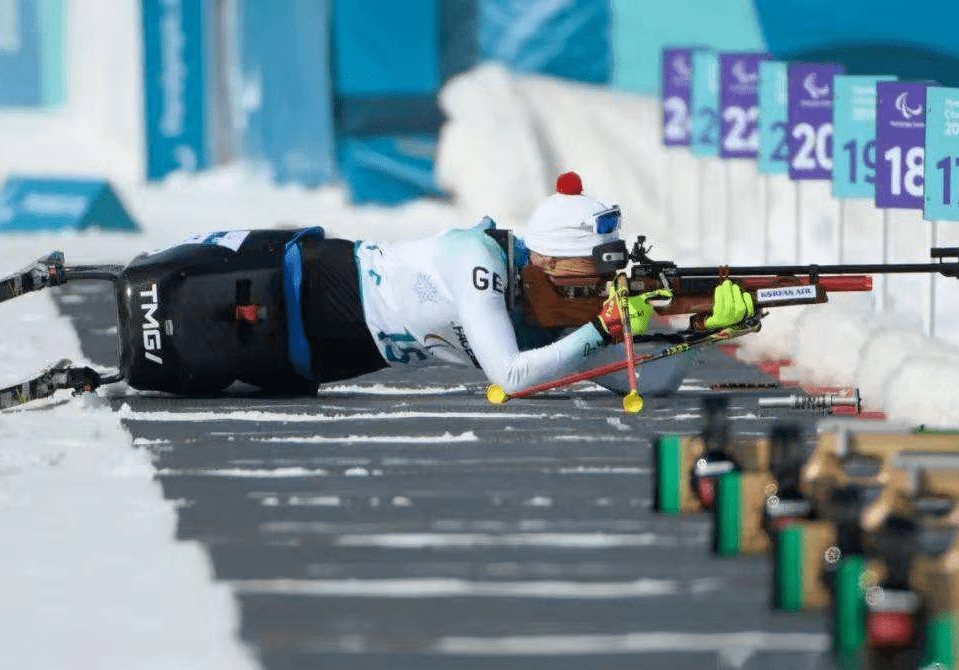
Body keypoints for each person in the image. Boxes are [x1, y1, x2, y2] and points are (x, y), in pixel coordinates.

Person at [113, 172, 754, 398]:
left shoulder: (555, 316)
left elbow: (647, 379)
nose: (605, 288)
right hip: (309, 285)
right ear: (553, 263)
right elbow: (511, 376)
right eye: (597, 273)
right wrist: (599, 329)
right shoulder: (474, 257)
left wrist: (698, 335)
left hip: (334, 355)